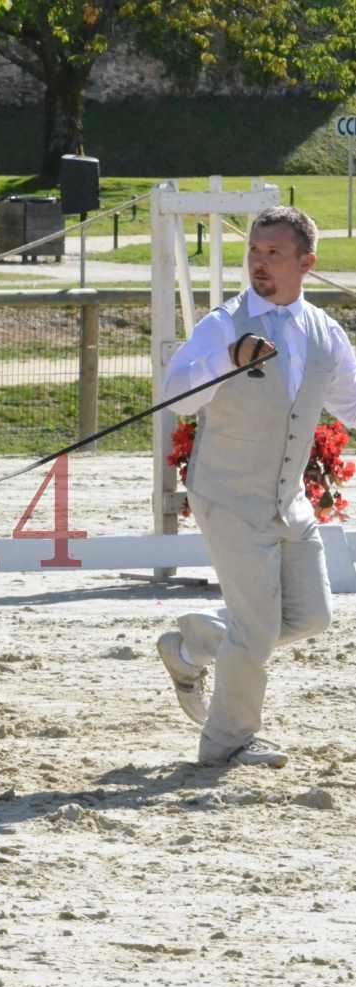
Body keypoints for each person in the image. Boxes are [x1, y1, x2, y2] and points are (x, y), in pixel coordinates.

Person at [154, 205, 356, 768]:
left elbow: (351, 403)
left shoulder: (324, 332)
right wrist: (227, 359)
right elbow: (177, 397)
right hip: (227, 494)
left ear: (306, 264)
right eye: (254, 252)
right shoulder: (224, 323)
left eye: (274, 254)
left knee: (311, 616)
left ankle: (194, 643)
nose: (260, 264)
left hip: (287, 501)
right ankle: (227, 742)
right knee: (259, 628)